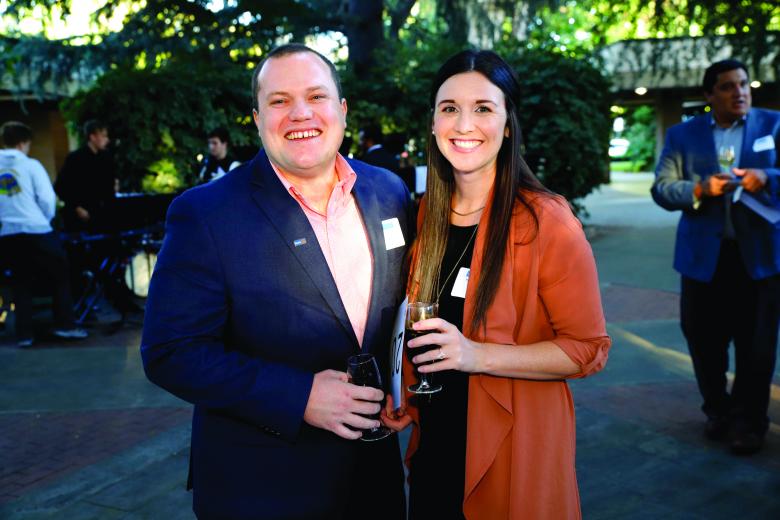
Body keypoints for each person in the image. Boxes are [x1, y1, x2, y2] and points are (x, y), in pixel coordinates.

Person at [141, 43, 411, 519]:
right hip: (261, 487)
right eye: (280, 100)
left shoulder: (389, 191)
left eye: (316, 96)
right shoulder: (205, 214)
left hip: (374, 477)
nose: (300, 113)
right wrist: (299, 395)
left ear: (342, 110)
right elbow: (170, 352)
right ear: (257, 116)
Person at [381, 50, 611, 519]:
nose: (464, 124)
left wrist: (476, 354)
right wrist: (404, 392)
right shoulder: (427, 215)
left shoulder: (548, 222)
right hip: (436, 449)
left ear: (508, 125)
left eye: (483, 108)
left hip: (511, 449)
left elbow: (587, 349)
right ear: (432, 123)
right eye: (449, 108)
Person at [651, 59, 780, 456]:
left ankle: (750, 422)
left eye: (743, 84)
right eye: (727, 86)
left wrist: (769, 178)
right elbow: (662, 189)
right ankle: (718, 410)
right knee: (703, 340)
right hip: (703, 259)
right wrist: (701, 189)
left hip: (759, 258)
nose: (739, 92)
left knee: (756, 346)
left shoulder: (772, 125)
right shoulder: (682, 135)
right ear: (709, 96)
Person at [0, 121, 87, 346]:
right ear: (22, 143)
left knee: (21, 281)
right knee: (61, 273)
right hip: (37, 229)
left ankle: (25, 334)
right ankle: (65, 325)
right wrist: (44, 218)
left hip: (8, 233)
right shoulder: (31, 165)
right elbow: (47, 199)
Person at [55, 119, 116, 232]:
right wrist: (77, 207)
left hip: (104, 214)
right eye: (103, 136)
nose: (106, 140)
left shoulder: (107, 158)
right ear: (92, 137)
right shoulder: (75, 158)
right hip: (80, 215)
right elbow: (61, 186)